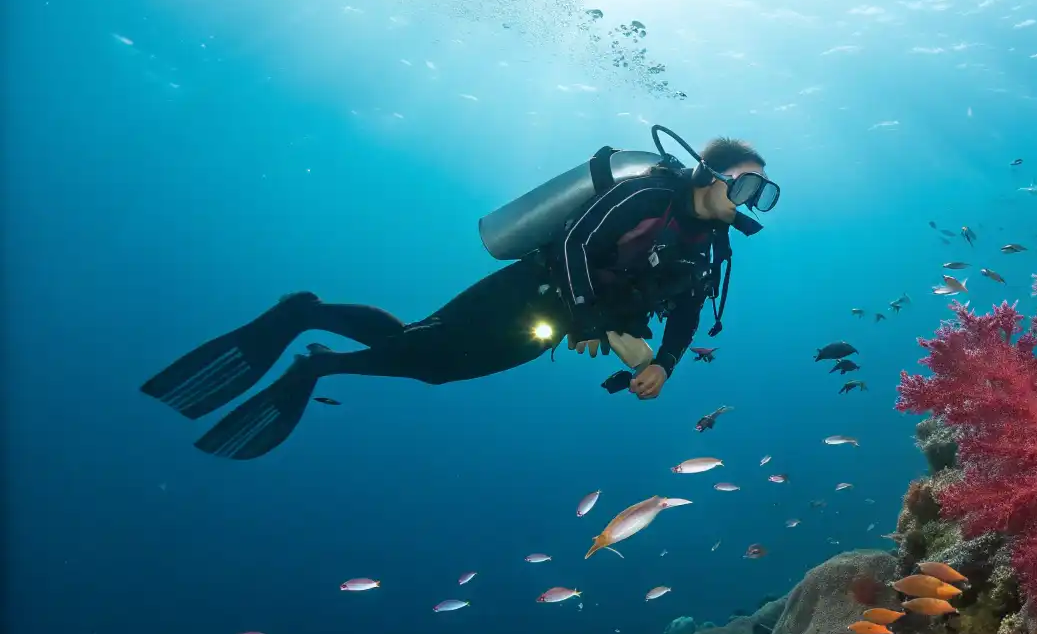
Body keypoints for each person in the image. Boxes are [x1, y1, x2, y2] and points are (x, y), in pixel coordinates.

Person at [140, 128, 778, 459]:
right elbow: (574, 245)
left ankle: (314, 339)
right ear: (709, 174)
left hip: (557, 325)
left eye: (762, 196)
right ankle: (309, 331)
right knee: (422, 349)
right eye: (748, 188)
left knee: (431, 366)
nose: (753, 204)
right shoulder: (646, 196)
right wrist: (587, 320)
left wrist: (664, 364)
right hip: (527, 292)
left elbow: (690, 308)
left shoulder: (711, 244)